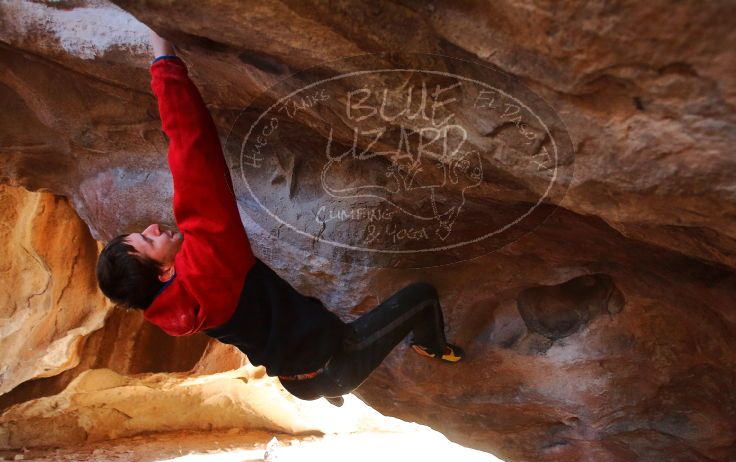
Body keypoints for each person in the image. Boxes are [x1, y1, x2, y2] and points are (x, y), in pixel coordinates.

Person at [95, 30, 464, 406]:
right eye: (148, 241)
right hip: (339, 363)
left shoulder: (168, 309)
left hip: (296, 382)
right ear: (163, 272)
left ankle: (328, 386)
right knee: (422, 297)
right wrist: (163, 58)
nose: (153, 228)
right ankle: (431, 345)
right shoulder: (207, 267)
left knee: (299, 336)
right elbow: (191, 149)